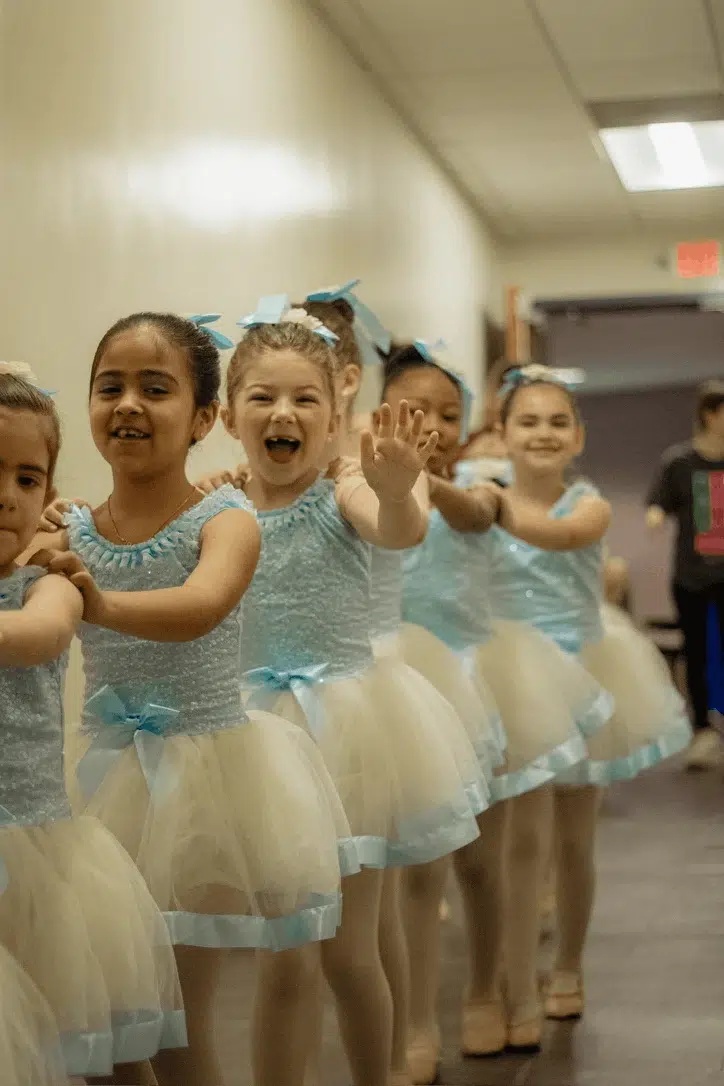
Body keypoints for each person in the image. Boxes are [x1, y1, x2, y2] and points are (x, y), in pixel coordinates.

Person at [32, 312, 353, 1086]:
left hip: (209, 784)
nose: (130, 404)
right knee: (130, 1012)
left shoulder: (228, 519)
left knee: (178, 1001)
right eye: (111, 387)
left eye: (156, 387)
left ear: (205, 418)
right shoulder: (69, 527)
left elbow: (201, 606)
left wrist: (97, 602)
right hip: (107, 782)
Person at [223, 300, 486, 1086]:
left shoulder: (343, 488)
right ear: (228, 413)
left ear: (337, 412)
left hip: (351, 736)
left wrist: (402, 490)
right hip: (260, 742)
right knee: (282, 962)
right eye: (263, 397)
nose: (283, 414)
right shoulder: (222, 507)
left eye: (306, 399)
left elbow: (395, 529)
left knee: (347, 954)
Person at [381, 343, 611, 1074]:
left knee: (493, 861)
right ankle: (415, 1019)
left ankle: (492, 989)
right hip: (405, 689)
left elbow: (484, 513)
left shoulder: (482, 488)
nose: (437, 427)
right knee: (416, 871)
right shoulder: (369, 481)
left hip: (488, 683)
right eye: (421, 413)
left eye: (452, 415)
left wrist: (428, 476)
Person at [0, 363, 185, 1084]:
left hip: (36, 856)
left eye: (27, 478)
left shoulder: (47, 580)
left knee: (100, 1045)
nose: (8, 497)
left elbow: (41, 637)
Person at [489, 364, 691, 1026]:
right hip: (514, 682)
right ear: (502, 433)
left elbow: (561, 538)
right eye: (528, 421)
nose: (542, 433)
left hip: (583, 674)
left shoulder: (589, 504)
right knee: (520, 841)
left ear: (578, 438)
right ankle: (516, 983)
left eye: (556, 422)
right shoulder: (482, 501)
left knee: (574, 841)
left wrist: (489, 508)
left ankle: (568, 964)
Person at [647, 378, 724, 769]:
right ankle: (702, 729)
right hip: (692, 574)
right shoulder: (680, 461)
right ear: (710, 415)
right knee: (696, 651)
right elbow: (659, 502)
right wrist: (655, 516)